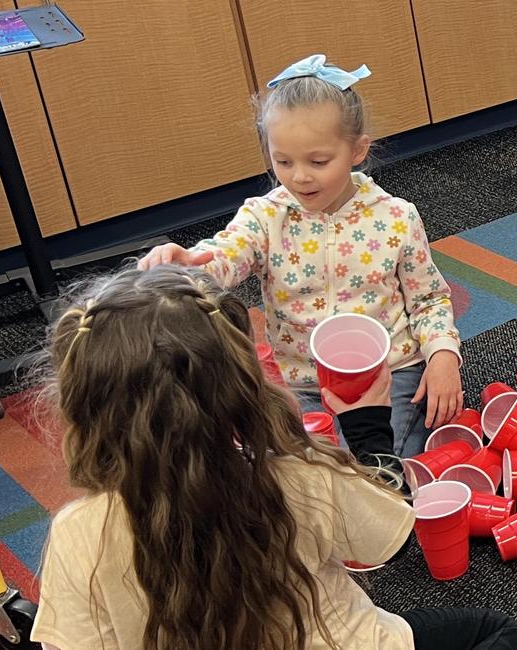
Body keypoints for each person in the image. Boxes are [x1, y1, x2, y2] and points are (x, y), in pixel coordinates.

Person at [30, 266, 517, 649]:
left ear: (82, 410)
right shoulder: (300, 478)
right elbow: (386, 541)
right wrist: (365, 424)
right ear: (243, 388)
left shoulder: (79, 533)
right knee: (496, 631)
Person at [140, 54, 462, 458]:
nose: (300, 176)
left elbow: (429, 298)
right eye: (283, 161)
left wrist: (442, 354)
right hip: (302, 382)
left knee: (380, 466)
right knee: (295, 468)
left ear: (358, 150)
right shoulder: (265, 216)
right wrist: (189, 264)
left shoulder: (396, 217)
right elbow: (227, 253)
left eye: (318, 161)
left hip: (387, 372)